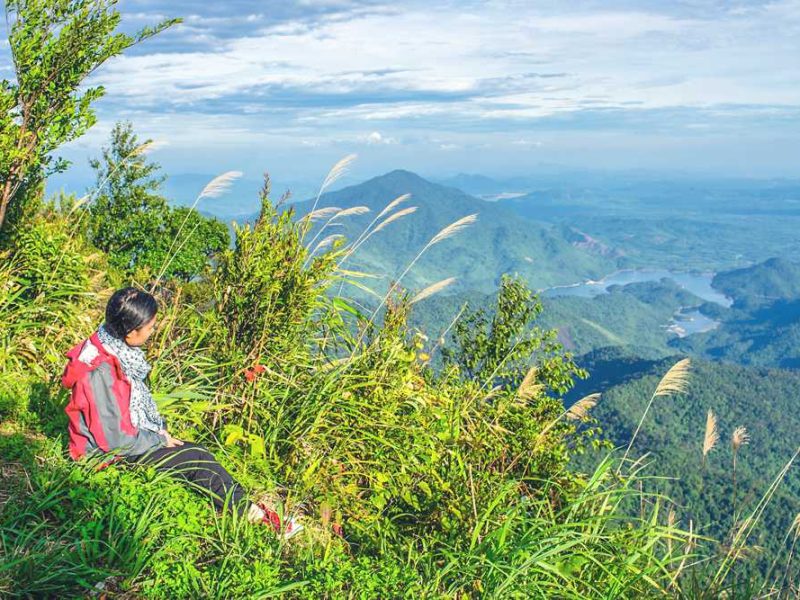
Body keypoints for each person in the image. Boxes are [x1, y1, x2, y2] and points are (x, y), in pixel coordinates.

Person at [62, 286, 301, 538]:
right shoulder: (101, 370)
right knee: (197, 457)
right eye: (151, 327)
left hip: (120, 437)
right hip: (104, 455)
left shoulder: (108, 344)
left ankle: (244, 505)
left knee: (194, 454)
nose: (154, 332)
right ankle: (256, 516)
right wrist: (158, 438)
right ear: (131, 333)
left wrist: (158, 431)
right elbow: (116, 440)